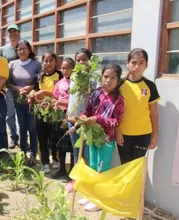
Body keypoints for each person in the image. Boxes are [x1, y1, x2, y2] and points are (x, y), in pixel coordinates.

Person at [77, 64, 125, 212]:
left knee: (101, 169)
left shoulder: (118, 99)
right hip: (92, 136)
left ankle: (99, 200)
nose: (108, 81)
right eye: (105, 77)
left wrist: (98, 119)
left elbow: (116, 121)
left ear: (118, 80)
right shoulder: (96, 93)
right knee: (92, 166)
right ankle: (91, 195)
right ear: (101, 77)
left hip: (106, 139)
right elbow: (88, 109)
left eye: (113, 78)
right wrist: (84, 116)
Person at [116, 48, 160, 164]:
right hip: (124, 134)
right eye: (134, 62)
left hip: (143, 135)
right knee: (125, 166)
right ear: (128, 64)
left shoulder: (150, 86)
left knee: (137, 167)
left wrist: (155, 135)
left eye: (141, 63)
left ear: (146, 65)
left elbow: (154, 112)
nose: (137, 66)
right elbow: (114, 111)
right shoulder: (119, 85)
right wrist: (117, 131)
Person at [7, 40, 41, 166]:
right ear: (16, 51)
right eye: (19, 49)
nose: (22, 51)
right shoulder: (12, 64)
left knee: (32, 127)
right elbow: (8, 83)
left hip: (32, 101)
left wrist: (30, 88)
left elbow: (39, 82)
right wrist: (18, 89)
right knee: (22, 128)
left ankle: (33, 153)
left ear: (29, 50)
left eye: (24, 48)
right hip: (18, 101)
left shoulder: (36, 64)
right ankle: (22, 153)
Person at [66, 48, 95, 191]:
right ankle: (75, 180)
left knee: (87, 154)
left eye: (84, 59)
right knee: (76, 152)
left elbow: (93, 101)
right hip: (71, 121)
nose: (81, 62)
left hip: (84, 122)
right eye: (78, 60)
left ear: (90, 61)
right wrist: (68, 116)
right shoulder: (74, 78)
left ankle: (86, 183)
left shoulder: (93, 80)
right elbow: (72, 99)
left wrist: (84, 118)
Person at [35, 51, 63, 174]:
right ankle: (45, 162)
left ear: (56, 62)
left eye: (51, 60)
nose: (48, 63)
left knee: (54, 137)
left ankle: (55, 159)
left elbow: (62, 94)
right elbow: (36, 92)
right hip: (41, 112)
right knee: (42, 137)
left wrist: (46, 94)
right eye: (45, 61)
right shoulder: (39, 77)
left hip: (55, 112)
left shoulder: (60, 75)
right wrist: (33, 96)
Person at [50, 57, 75, 179]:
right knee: (61, 145)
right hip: (59, 118)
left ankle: (72, 171)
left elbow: (76, 101)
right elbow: (55, 98)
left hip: (70, 117)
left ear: (73, 69)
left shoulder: (76, 84)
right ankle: (61, 169)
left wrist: (62, 102)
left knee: (71, 146)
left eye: (68, 68)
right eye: (63, 68)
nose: (65, 71)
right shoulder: (59, 83)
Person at [0, 24, 21, 149]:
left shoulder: (23, 46)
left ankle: (23, 138)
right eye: (10, 31)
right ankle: (13, 137)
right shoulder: (3, 50)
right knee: (10, 114)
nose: (12, 33)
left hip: (21, 87)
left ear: (19, 33)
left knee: (21, 114)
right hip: (7, 86)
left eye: (15, 31)